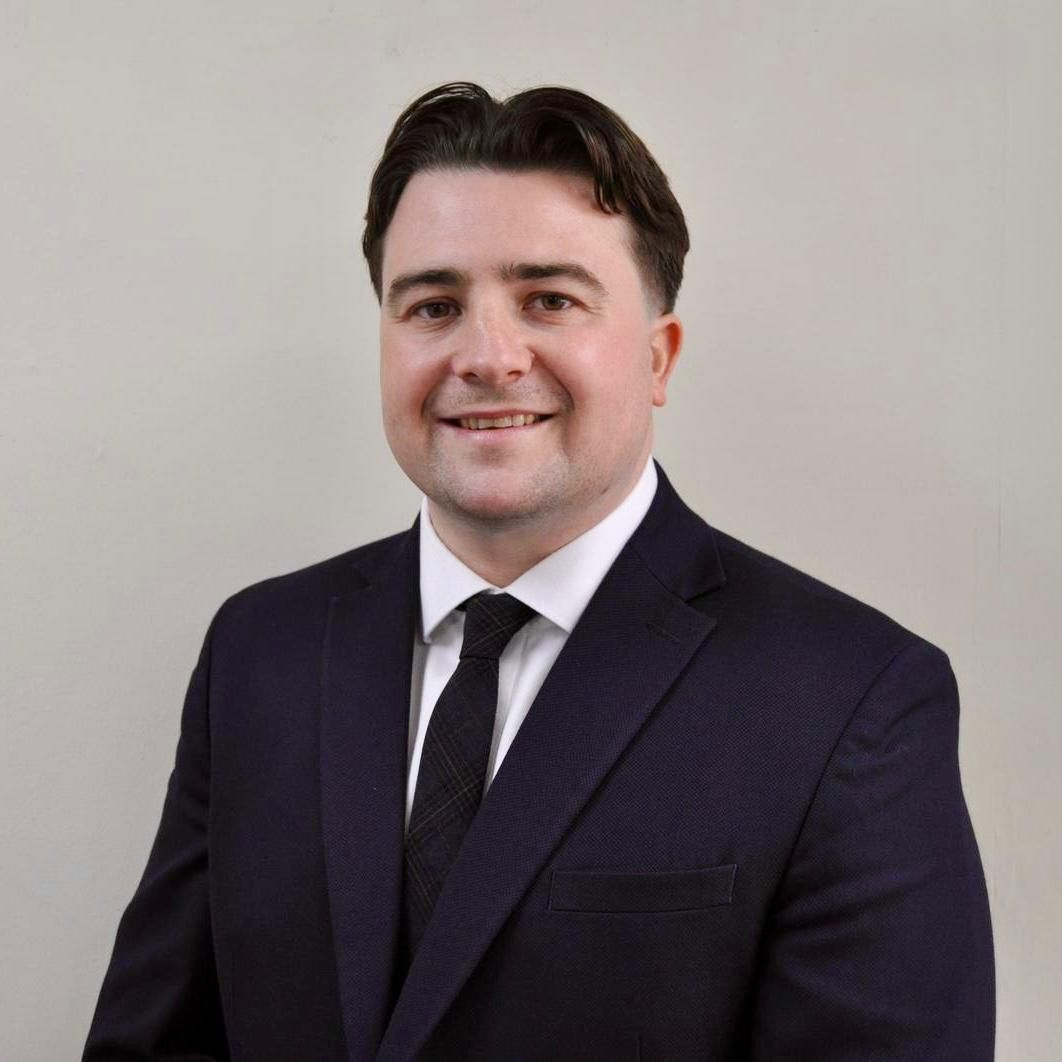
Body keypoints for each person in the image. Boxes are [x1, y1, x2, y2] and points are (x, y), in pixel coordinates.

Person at [84, 82, 994, 1061]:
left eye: (549, 299)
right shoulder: (260, 654)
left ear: (659, 357)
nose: (486, 355)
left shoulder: (849, 700)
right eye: (433, 304)